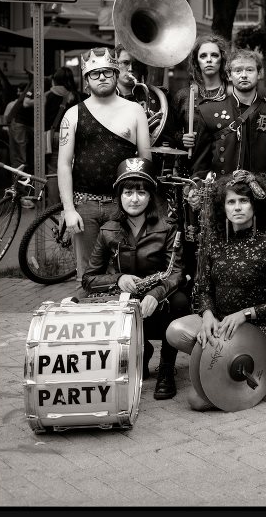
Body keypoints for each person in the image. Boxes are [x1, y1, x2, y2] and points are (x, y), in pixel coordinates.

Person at [166, 170, 266, 410]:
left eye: (244, 201)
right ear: (223, 207)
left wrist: (245, 314)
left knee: (196, 402)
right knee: (174, 331)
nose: (237, 207)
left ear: (256, 205)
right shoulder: (215, 243)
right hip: (220, 322)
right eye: (231, 202)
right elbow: (203, 290)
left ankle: (256, 368)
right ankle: (219, 362)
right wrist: (208, 316)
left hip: (255, 326)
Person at [82, 158, 188, 400]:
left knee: (181, 302)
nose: (134, 198)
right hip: (125, 300)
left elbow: (177, 272)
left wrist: (156, 293)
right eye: (128, 192)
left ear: (151, 196)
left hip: (158, 298)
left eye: (141, 192)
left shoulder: (168, 227)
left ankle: (166, 369)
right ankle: (142, 348)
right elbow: (88, 279)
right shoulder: (108, 230)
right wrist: (118, 279)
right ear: (119, 196)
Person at [58, 47, 151, 283]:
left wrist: (141, 206)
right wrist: (68, 210)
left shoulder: (135, 110)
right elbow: (64, 164)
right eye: (95, 73)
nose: (101, 77)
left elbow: (145, 162)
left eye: (107, 72)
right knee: (88, 277)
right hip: (84, 206)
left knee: (127, 272)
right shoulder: (72, 114)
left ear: (116, 73)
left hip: (123, 205)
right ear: (87, 79)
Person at [184, 48, 266, 180]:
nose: (244, 75)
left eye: (249, 70)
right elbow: (200, 167)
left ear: (259, 73)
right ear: (229, 75)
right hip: (223, 195)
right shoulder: (209, 111)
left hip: (265, 193)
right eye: (238, 70)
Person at [115, 44, 179, 148]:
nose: (131, 69)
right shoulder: (106, 98)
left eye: (136, 64)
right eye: (125, 63)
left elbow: (170, 137)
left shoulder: (158, 97)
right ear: (115, 65)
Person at [171, 34, 231, 146]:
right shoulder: (184, 96)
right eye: (203, 56)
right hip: (193, 161)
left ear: (222, 59)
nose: (209, 60)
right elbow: (170, 132)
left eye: (214, 55)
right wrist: (181, 139)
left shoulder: (231, 95)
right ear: (196, 61)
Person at [44, 67, 80, 172]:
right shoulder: (76, 96)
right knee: (70, 167)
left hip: (52, 135)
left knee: (53, 169)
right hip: (71, 135)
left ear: (55, 80)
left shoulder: (48, 95)